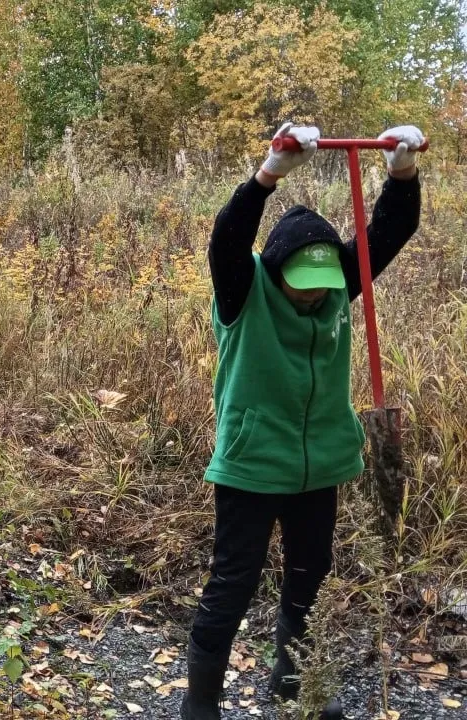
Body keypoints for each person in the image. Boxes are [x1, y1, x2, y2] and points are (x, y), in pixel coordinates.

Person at [179, 123, 423, 720]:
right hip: (253, 464)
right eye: (301, 286)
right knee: (234, 581)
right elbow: (227, 239)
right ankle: (201, 700)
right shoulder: (244, 289)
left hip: (320, 464)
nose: (314, 297)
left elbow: (390, 231)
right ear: (275, 270)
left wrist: (401, 171)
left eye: (324, 286)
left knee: (312, 573)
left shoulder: (338, 284)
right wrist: (269, 175)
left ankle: (294, 682)